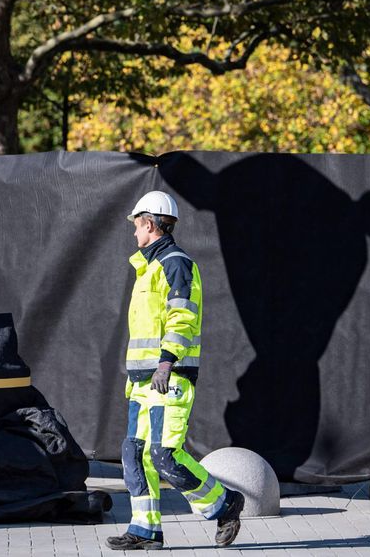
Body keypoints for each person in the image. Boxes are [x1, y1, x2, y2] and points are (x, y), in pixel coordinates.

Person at [107, 191, 244, 551]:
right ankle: (145, 530)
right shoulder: (148, 267)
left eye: (137, 226)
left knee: (165, 456)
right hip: (142, 381)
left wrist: (167, 360)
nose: (134, 233)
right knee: (134, 453)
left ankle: (224, 505)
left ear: (149, 224)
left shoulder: (175, 263)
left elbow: (182, 315)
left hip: (170, 377)